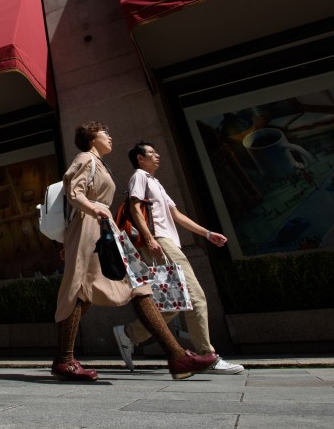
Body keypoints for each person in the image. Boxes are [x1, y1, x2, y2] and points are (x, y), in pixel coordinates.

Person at [52, 121, 218, 381]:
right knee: (80, 289)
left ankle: (177, 356)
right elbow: (74, 192)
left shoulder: (99, 163)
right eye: (104, 132)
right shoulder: (85, 158)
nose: (109, 136)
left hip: (102, 228)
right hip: (91, 226)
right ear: (91, 138)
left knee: (138, 285)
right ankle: (64, 360)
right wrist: (94, 209)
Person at [112, 141, 245, 374]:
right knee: (196, 296)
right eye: (151, 153)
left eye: (156, 152)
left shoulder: (156, 183)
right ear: (140, 159)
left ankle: (130, 333)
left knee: (175, 303)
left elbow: (176, 214)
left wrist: (206, 233)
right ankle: (207, 355)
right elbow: (134, 208)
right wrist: (150, 238)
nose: (157, 156)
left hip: (168, 242)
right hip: (160, 242)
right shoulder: (139, 177)